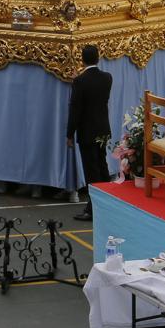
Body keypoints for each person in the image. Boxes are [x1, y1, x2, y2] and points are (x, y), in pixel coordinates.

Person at [67, 45, 112, 222]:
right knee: (102, 167)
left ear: (82, 59)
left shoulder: (80, 81)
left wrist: (69, 134)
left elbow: (75, 110)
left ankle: (93, 209)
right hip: (102, 129)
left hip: (87, 132)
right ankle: (108, 203)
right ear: (98, 58)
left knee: (91, 172)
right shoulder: (107, 78)